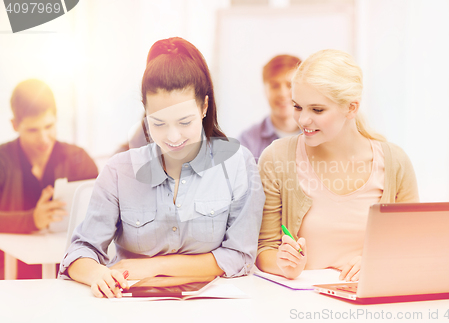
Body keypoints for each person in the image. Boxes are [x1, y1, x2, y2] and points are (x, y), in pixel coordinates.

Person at [59, 37, 265, 298]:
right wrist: (98, 273)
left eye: (184, 122)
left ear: (203, 106)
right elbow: (80, 251)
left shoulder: (237, 164)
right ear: (145, 113)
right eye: (159, 123)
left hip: (213, 308)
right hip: (130, 306)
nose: (173, 137)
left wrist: (150, 267)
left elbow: (239, 257)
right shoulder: (119, 171)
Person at [256, 49, 419, 281]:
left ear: (351, 108)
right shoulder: (276, 158)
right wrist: (284, 264)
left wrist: (377, 261)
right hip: (303, 304)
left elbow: (412, 245)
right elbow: (265, 250)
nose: (303, 120)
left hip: (372, 303)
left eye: (317, 109)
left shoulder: (395, 162)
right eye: (297, 106)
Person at [0, 79, 98, 278]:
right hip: (9, 276)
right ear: (15, 125)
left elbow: (105, 216)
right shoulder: (3, 160)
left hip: (70, 274)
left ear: (56, 118)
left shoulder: (79, 160)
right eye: (33, 130)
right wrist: (32, 220)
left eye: (49, 126)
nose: (44, 138)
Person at [239, 55, 302, 161]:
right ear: (265, 90)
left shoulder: (321, 136)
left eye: (289, 85)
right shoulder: (247, 142)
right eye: (275, 86)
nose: (282, 93)